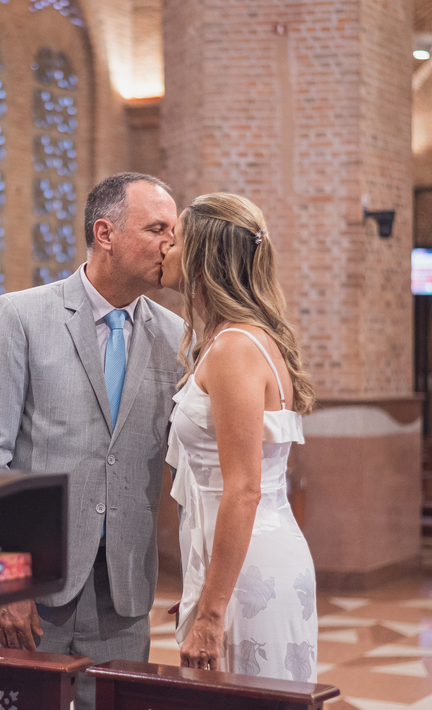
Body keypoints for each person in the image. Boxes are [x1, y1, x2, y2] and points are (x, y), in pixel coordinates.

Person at [0, 172, 184, 709]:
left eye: (173, 232)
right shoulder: (22, 315)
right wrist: (6, 584)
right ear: (105, 233)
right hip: (35, 591)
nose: (170, 245)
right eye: (157, 229)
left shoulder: (175, 335)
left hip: (124, 595)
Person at [160, 192, 318, 680]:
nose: (165, 247)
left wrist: (211, 610)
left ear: (202, 259)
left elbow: (244, 488)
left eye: (176, 239)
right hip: (239, 562)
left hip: (253, 571)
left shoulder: (235, 349)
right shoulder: (236, 339)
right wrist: (203, 586)